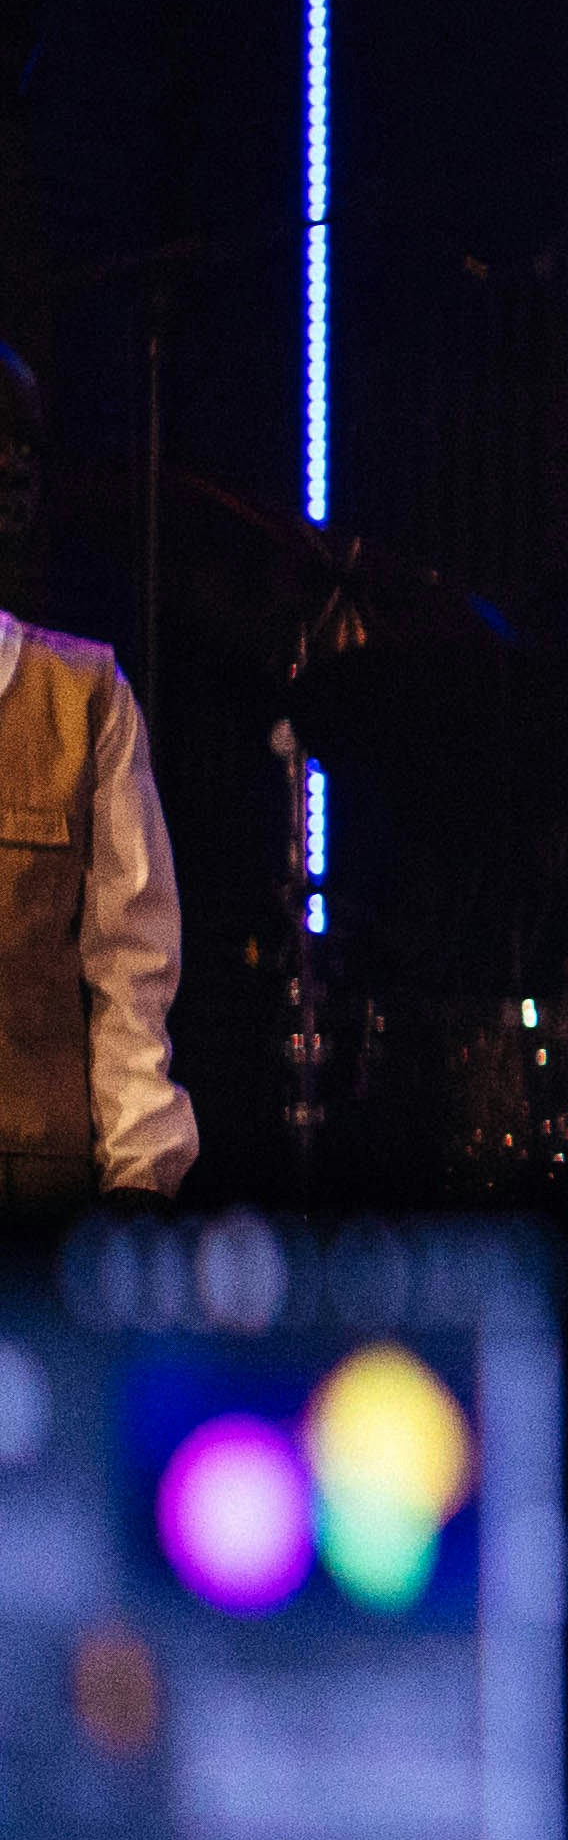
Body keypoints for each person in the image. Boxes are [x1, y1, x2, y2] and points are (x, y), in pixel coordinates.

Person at [0, 343, 192, 1201]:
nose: (13, 466)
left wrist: (140, 1191)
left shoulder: (81, 697)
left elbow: (130, 979)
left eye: (29, 445)